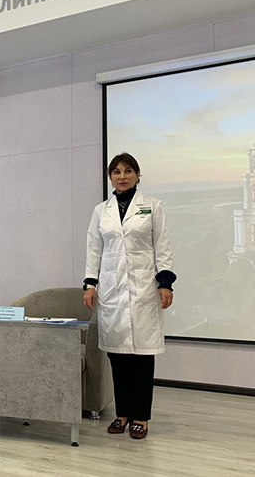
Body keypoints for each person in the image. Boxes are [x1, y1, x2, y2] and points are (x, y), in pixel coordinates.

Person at [83, 153, 175, 440]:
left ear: (137, 175)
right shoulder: (101, 211)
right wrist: (90, 283)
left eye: (128, 171)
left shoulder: (152, 206)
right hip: (111, 289)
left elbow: (162, 245)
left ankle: (141, 417)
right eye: (116, 172)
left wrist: (165, 282)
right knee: (117, 355)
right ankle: (122, 413)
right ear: (110, 177)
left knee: (142, 357)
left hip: (143, 288)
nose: (122, 176)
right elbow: (94, 249)